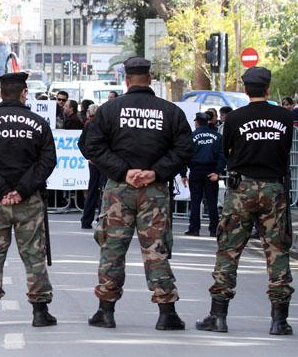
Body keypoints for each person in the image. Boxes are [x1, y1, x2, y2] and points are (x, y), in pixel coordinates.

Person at [85, 56, 193, 330]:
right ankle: (167, 313)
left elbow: (91, 145)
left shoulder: (110, 110)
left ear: (126, 80)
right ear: (150, 79)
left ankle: (105, 311)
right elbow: (183, 149)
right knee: (156, 250)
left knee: (112, 249)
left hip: (119, 191)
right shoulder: (170, 112)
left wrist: (123, 172)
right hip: (155, 191)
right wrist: (155, 172)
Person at [196, 67, 294, 336]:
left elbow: (227, 150)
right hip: (274, 187)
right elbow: (285, 148)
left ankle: (218, 315)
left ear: (245, 88)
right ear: (268, 88)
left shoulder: (236, 118)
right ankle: (279, 320)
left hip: (242, 189)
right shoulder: (284, 117)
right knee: (277, 252)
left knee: (229, 250)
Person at [0, 72, 57, 328]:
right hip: (28, 202)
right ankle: (40, 312)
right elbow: (47, 161)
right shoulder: (38, 122)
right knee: (34, 255)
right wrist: (21, 190)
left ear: (0, 94)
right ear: (24, 93)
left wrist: (2, 189)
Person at [181, 112, 226, 237]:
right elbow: (222, 156)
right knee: (212, 201)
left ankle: (194, 228)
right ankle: (214, 229)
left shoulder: (191, 136)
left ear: (196, 123)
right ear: (208, 122)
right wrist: (217, 171)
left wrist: (183, 174)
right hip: (211, 171)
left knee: (195, 201)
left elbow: (184, 155)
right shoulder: (217, 137)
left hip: (196, 171)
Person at [78, 104, 106, 229]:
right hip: (102, 162)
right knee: (102, 191)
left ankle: (86, 220)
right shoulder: (105, 125)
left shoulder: (90, 124)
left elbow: (81, 143)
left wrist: (89, 157)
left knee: (93, 189)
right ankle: (100, 219)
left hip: (96, 161)